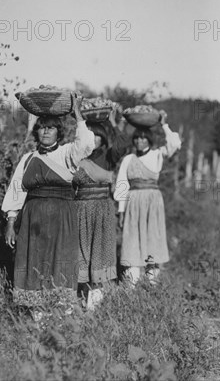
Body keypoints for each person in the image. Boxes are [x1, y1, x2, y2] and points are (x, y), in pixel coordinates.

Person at [1, 93, 95, 320]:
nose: (46, 132)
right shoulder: (28, 159)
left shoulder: (67, 154)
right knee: (35, 265)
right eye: (42, 128)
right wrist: (11, 223)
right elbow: (16, 191)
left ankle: (62, 323)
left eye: (51, 128)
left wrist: (77, 113)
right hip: (33, 223)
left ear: (58, 132)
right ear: (37, 131)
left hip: (62, 221)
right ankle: (38, 322)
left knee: (61, 264)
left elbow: (86, 144)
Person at [114, 110, 181, 285]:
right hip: (133, 203)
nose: (139, 141)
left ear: (149, 140)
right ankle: (132, 286)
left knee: (153, 240)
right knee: (132, 241)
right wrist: (121, 211)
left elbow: (175, 143)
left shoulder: (157, 155)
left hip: (153, 203)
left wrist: (164, 124)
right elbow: (122, 184)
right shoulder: (128, 159)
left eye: (143, 138)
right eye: (137, 138)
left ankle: (152, 285)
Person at [73, 108, 130, 310]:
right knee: (80, 255)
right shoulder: (76, 157)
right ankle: (78, 302)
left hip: (102, 212)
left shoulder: (108, 156)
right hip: (79, 211)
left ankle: (94, 307)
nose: (95, 140)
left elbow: (123, 144)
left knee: (99, 254)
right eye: (91, 135)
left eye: (98, 136)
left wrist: (114, 123)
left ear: (104, 138)